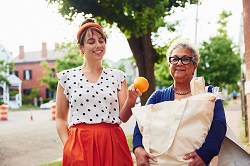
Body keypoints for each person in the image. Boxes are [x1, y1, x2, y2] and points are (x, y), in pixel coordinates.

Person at [55, 18, 141, 166]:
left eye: (101, 40)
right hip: (79, 145)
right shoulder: (66, 77)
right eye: (91, 41)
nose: (98, 45)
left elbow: (124, 117)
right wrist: (68, 146)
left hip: (112, 143)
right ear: (81, 47)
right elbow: (61, 118)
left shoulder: (118, 76)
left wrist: (131, 99)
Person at [132, 39, 227, 166]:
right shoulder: (158, 97)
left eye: (186, 59)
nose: (179, 63)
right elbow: (141, 123)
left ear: (194, 66)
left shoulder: (209, 94)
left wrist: (206, 154)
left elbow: (219, 124)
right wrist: (138, 148)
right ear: (169, 65)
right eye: (174, 59)